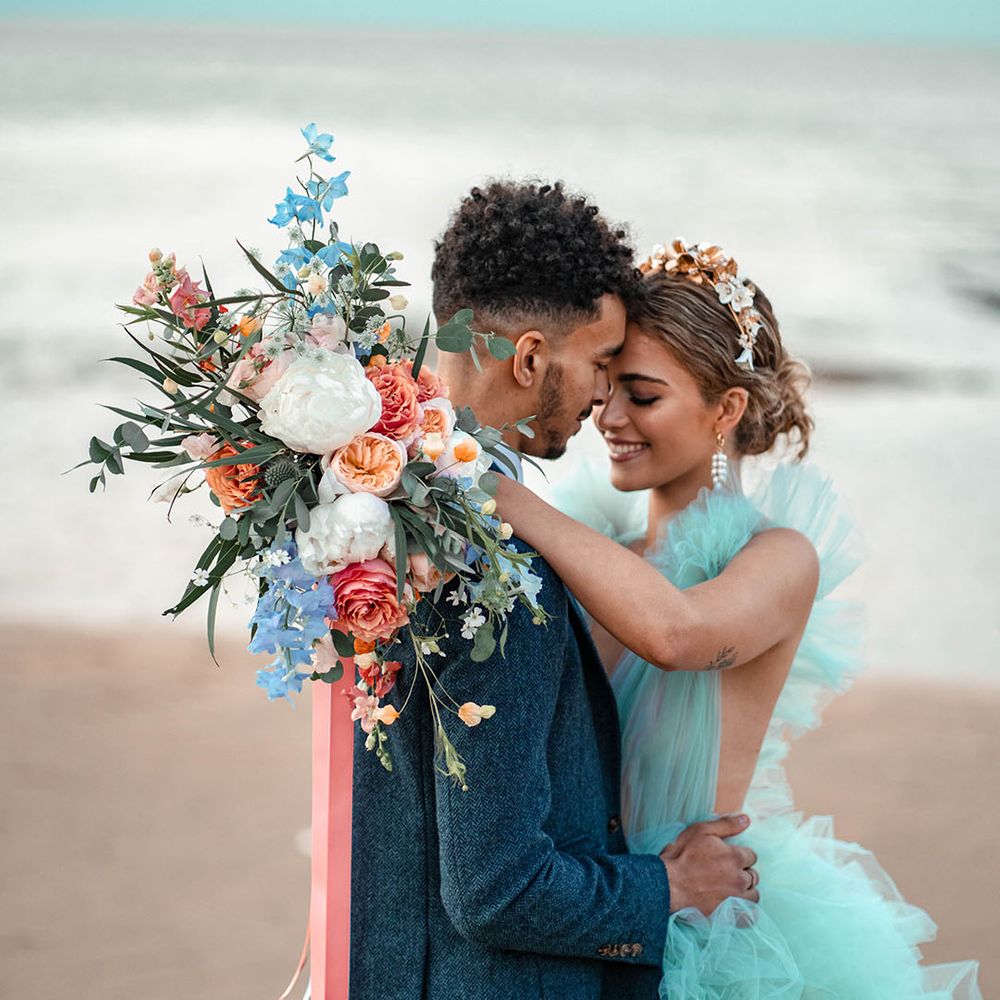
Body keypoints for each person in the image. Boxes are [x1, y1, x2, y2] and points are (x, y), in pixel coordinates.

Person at [494, 239, 983, 998]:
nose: (609, 417)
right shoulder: (603, 553)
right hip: (588, 904)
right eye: (608, 386)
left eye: (644, 395)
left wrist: (493, 491)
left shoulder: (776, 558)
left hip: (707, 920)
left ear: (726, 409)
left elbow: (679, 634)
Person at [349, 189, 760, 1000]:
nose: (603, 397)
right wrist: (669, 890)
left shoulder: (366, 512)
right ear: (531, 359)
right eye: (603, 365)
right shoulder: (493, 566)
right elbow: (496, 887)